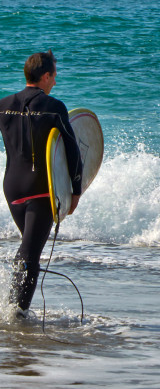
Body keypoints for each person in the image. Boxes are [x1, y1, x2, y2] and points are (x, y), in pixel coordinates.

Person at [0, 50, 82, 317]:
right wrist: (75, 190)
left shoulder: (3, 104)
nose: (55, 82)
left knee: (29, 248)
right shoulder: (54, 107)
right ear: (45, 76)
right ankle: (16, 315)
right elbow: (72, 152)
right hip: (41, 189)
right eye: (54, 76)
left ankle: (13, 309)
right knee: (30, 254)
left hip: (12, 188)